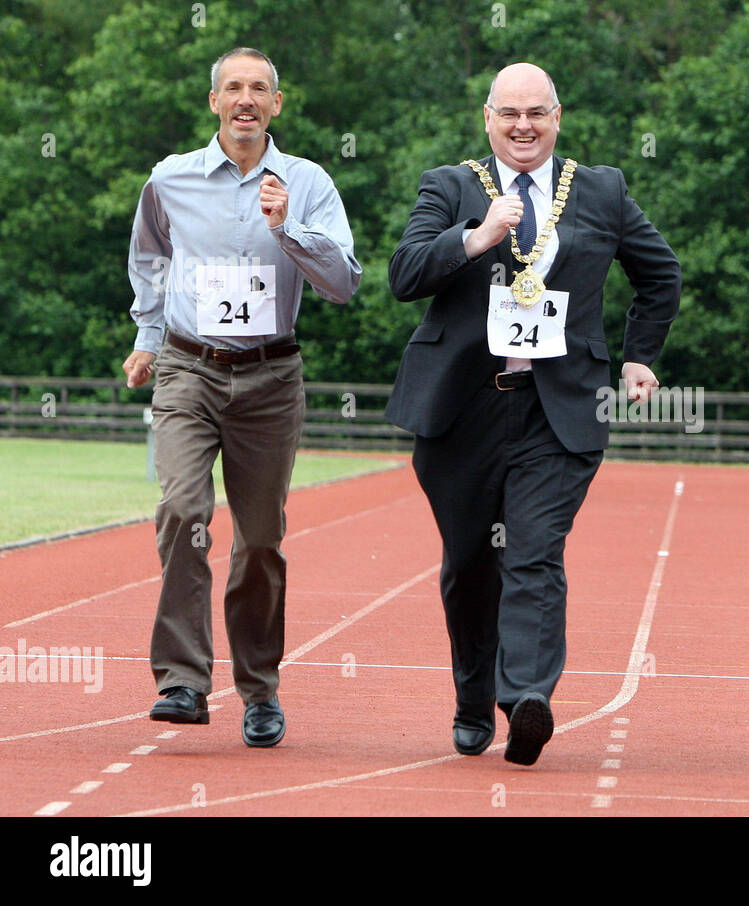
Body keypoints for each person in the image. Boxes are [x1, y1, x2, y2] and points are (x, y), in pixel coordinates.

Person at [386, 62, 680, 765]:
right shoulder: (450, 185)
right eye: (510, 113)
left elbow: (659, 273)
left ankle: (526, 700)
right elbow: (404, 274)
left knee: (533, 551)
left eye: (537, 113)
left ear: (558, 116)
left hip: (560, 408)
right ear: (487, 117)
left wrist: (640, 356)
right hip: (464, 409)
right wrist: (478, 236)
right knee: (470, 565)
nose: (524, 126)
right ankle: (471, 699)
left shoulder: (602, 189)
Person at [122, 47, 362, 747]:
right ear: (215, 102)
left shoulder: (308, 183)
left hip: (269, 377)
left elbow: (343, 282)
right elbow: (151, 254)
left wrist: (289, 226)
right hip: (189, 368)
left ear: (277, 104)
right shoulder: (171, 179)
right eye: (234, 88)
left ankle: (259, 691)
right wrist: (146, 330)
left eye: (259, 88)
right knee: (181, 509)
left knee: (260, 541)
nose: (247, 99)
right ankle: (182, 681)